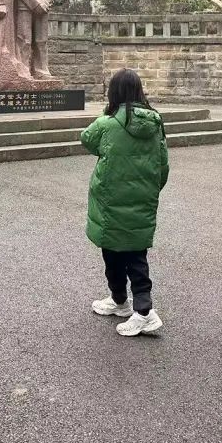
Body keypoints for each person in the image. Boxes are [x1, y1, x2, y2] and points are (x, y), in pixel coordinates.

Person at [82, 68, 170, 338]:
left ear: (114, 93)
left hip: (110, 201)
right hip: (142, 200)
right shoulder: (155, 124)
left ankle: (144, 312)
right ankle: (120, 301)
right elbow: (163, 166)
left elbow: (86, 138)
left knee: (113, 253)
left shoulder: (107, 124)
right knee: (135, 254)